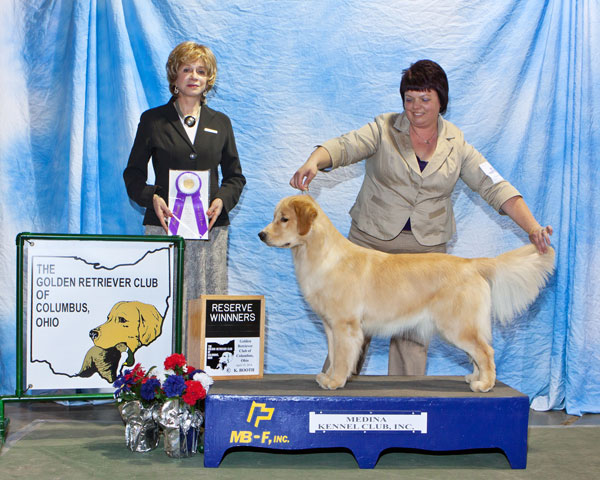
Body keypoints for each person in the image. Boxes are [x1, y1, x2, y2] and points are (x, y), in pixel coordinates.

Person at [289, 59, 552, 376]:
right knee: (346, 320)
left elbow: (494, 186)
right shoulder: (383, 129)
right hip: (370, 244)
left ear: (442, 101)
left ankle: (405, 401)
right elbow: (345, 146)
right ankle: (338, 391)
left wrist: (533, 228)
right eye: (409, 99)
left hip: (425, 251)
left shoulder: (458, 145)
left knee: (413, 336)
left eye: (425, 99)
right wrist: (314, 161)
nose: (415, 107)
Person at [123, 41, 245, 319]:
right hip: (163, 227)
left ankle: (202, 363)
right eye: (187, 69)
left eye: (201, 71)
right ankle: (165, 364)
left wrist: (220, 201)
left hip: (210, 230)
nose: (194, 77)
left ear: (208, 79)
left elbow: (236, 177)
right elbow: (133, 175)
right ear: (174, 77)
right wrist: (152, 197)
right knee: (161, 307)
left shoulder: (221, 122)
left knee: (206, 308)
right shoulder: (152, 120)